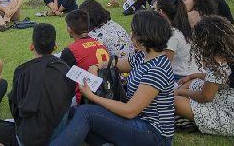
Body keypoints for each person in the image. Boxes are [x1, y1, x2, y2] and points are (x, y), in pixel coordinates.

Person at [50, 10, 174, 146]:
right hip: (139, 123)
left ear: (145, 35)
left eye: (133, 31)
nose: (130, 34)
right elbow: (115, 63)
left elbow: (130, 111)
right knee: (76, 114)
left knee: (86, 114)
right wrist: (95, 66)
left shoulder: (157, 68)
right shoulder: (143, 56)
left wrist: (92, 97)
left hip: (154, 134)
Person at [0, 23, 75, 146]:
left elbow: (16, 109)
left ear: (32, 46)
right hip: (59, 133)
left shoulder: (22, 71)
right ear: (55, 46)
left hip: (28, 139)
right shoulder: (66, 69)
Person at [174, 16, 234, 136]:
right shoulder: (227, 53)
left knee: (173, 100)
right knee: (193, 83)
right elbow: (218, 78)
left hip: (229, 115)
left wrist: (181, 93)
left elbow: (205, 97)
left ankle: (189, 120)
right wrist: (193, 76)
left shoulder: (218, 61)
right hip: (228, 97)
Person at [60, 10, 110, 104]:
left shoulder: (70, 51)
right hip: (108, 92)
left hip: (87, 99)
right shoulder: (100, 43)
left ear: (69, 29)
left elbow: (60, 79)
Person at [155, 0, 198, 81]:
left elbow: (164, 66)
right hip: (192, 72)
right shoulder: (183, 27)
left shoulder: (172, 35)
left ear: (161, 12)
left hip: (182, 77)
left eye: (155, 10)